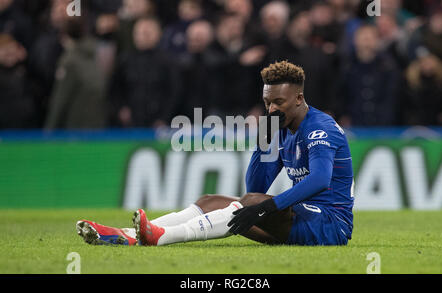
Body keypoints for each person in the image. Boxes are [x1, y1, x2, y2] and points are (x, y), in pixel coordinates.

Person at [76, 60, 354, 247]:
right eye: (267, 102)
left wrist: (265, 207)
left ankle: (161, 236)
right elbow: (254, 188)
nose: (271, 109)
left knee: (252, 202)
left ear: (299, 99)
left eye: (278, 102)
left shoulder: (320, 127)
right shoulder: (279, 129)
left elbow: (320, 179)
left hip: (330, 224)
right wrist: (263, 144)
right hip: (300, 219)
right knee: (210, 201)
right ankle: (128, 236)